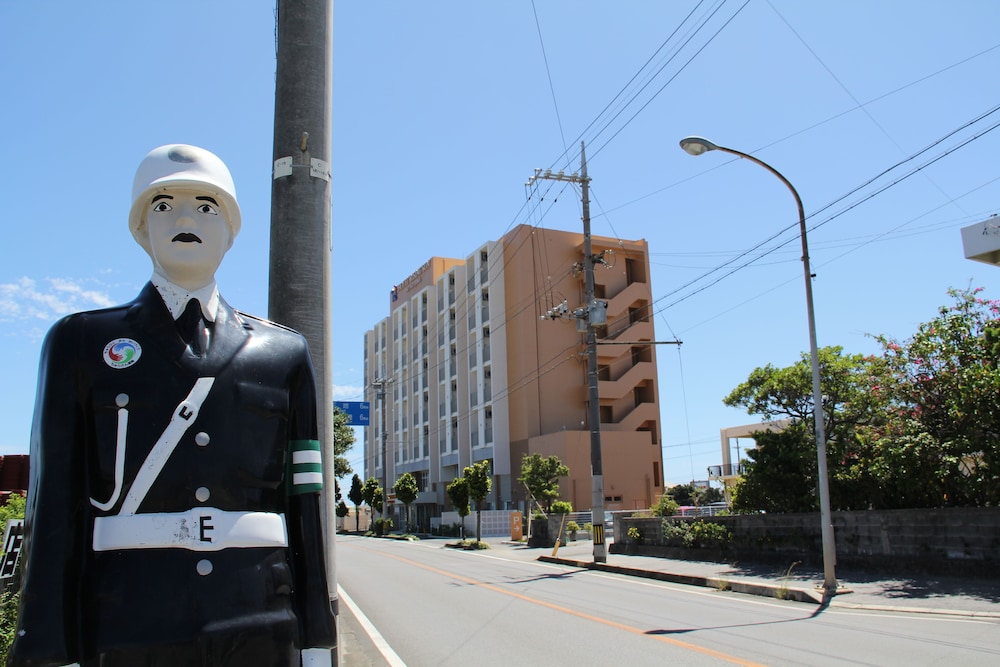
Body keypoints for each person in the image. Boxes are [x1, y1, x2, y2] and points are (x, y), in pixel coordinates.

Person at [8, 145, 337, 667]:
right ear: (141, 228)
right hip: (127, 629)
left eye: (207, 207)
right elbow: (53, 509)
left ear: (231, 231)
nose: (186, 220)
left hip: (262, 629)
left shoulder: (284, 354)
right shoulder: (81, 342)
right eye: (163, 205)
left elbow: (304, 508)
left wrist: (317, 640)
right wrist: (46, 651)